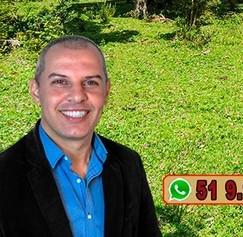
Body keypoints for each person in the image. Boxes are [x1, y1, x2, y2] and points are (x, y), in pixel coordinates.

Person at [0, 35, 161, 237]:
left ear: (106, 91)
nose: (77, 96)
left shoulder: (129, 163)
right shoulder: (4, 175)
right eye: (60, 81)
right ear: (36, 91)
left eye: (91, 82)